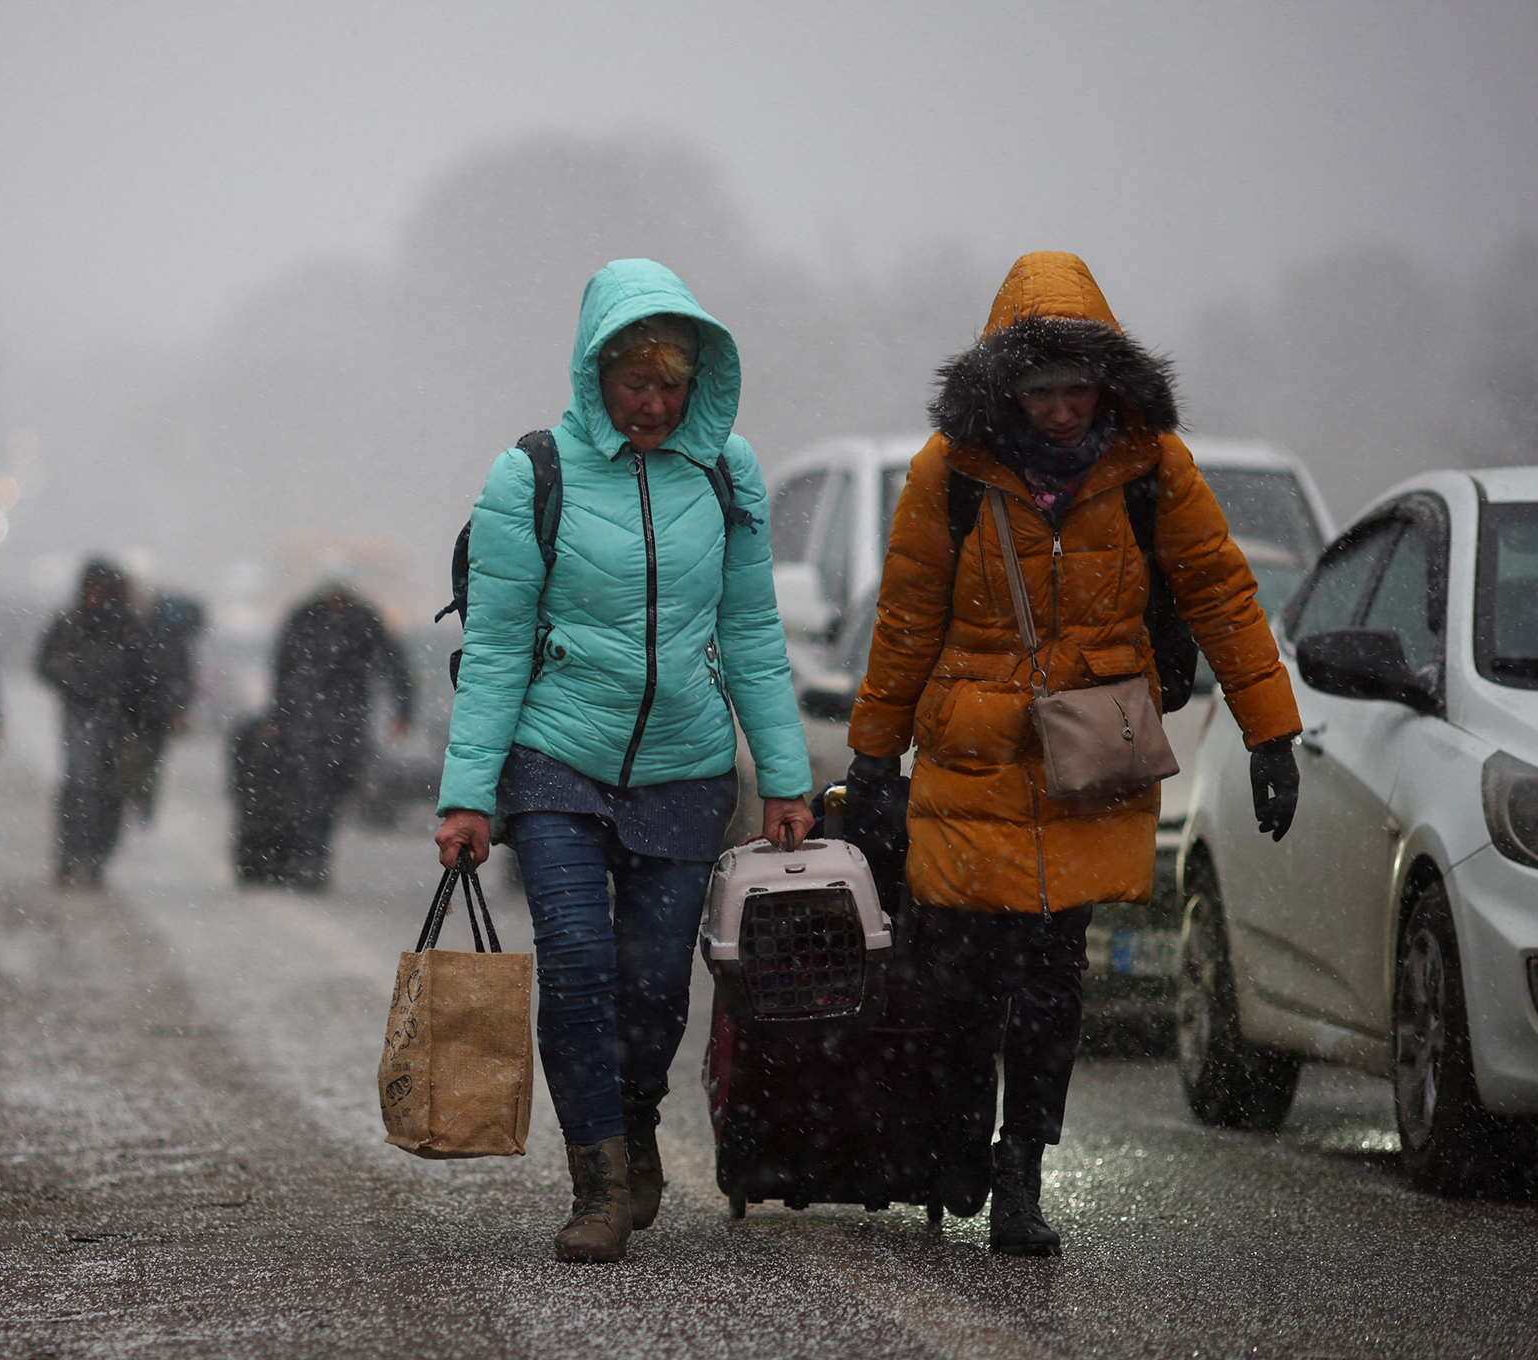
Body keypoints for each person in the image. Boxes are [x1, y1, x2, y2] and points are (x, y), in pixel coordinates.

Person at [844, 251, 1302, 1257]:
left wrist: (1272, 728)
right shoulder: (948, 475)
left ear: (1106, 383)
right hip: (970, 755)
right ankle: (962, 1129)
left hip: (1089, 755)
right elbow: (908, 619)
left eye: (1076, 388)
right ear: (1004, 385)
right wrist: (874, 757)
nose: (1059, 411)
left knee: (1053, 980)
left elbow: (1221, 591)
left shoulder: (1152, 467)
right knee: (963, 977)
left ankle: (1020, 1170)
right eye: (1040, 389)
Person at [434, 260, 814, 1264]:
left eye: (671, 383)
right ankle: (597, 1173)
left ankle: (633, 1112)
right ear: (595, 370)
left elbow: (753, 630)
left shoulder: (728, 474)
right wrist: (469, 796)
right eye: (634, 380)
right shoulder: (533, 473)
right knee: (576, 959)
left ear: (698, 383)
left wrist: (784, 778)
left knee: (654, 986)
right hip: (558, 755)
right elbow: (502, 643)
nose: (652, 403)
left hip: (686, 765)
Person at [267, 582, 413, 889]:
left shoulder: (362, 620)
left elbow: (393, 663)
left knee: (329, 794)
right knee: (309, 793)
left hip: (344, 720)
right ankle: (309, 859)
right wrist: (279, 714)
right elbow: (283, 667)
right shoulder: (307, 617)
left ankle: (312, 857)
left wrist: (404, 709)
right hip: (309, 717)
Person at [37, 559, 148, 888]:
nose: (94, 595)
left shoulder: (128, 627)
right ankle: (70, 857)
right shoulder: (71, 623)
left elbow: (146, 672)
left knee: (110, 791)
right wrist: (73, 681)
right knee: (80, 785)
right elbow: (44, 663)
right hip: (80, 714)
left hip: (120, 719)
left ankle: (97, 858)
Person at [118, 592, 206, 825]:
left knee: (138, 763)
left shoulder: (145, 638)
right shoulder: (175, 645)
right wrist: (176, 708)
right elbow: (182, 681)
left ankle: (133, 806)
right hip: (152, 716)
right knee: (146, 765)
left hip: (141, 715)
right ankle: (139, 809)